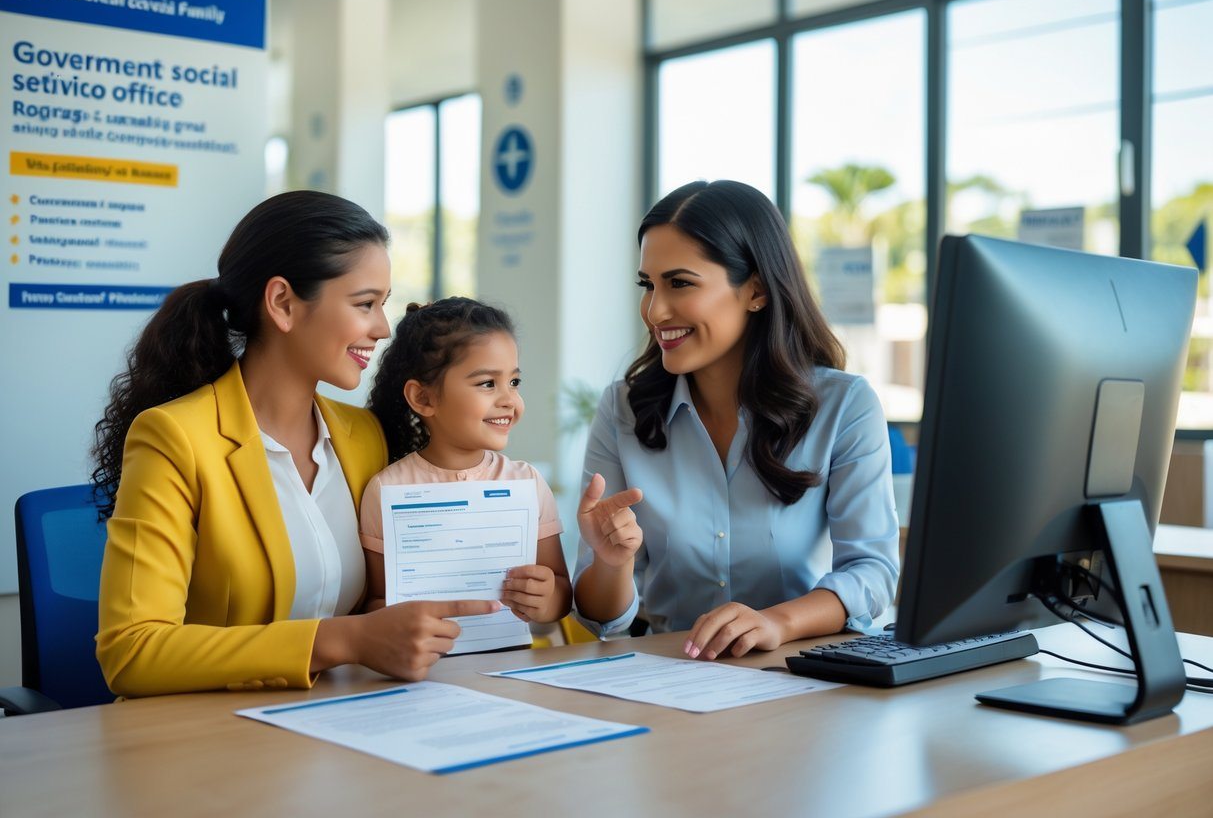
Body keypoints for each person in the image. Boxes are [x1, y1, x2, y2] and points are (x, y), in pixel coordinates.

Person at [93, 191, 498, 698]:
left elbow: (382, 599)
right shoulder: (174, 438)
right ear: (283, 303)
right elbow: (131, 652)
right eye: (365, 303)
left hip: (344, 722)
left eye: (383, 305)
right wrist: (344, 640)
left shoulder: (363, 436)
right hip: (212, 739)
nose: (382, 328)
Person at [573, 179, 900, 661]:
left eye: (679, 283)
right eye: (648, 285)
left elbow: (872, 572)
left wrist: (777, 621)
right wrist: (609, 562)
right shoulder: (622, 409)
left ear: (757, 291)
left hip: (796, 671)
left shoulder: (843, 406)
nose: (654, 310)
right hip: (667, 672)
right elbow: (601, 617)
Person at [361, 298, 571, 624]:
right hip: (421, 670)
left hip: (511, 667)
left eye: (514, 382)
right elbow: (375, 601)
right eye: (488, 383)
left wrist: (547, 599)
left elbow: (560, 590)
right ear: (423, 398)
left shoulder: (527, 483)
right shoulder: (386, 489)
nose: (509, 400)